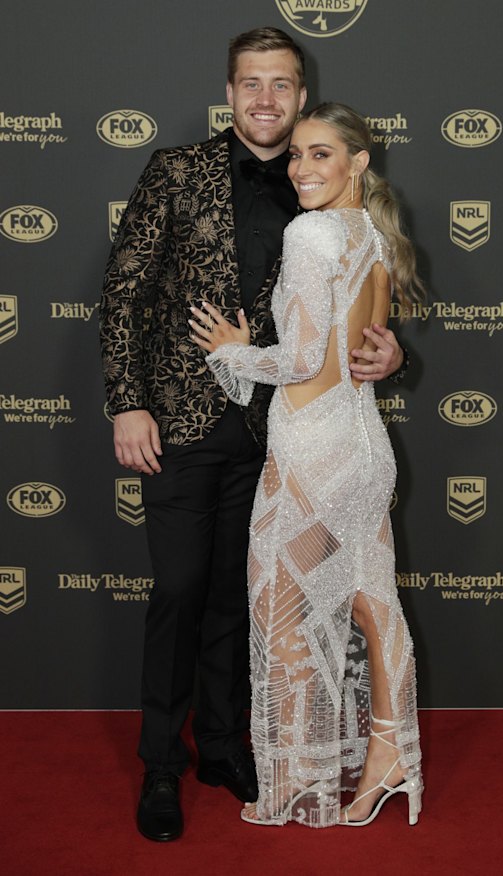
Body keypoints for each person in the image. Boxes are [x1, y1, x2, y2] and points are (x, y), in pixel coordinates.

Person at [100, 29, 407, 842]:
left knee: (247, 600)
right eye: (250, 84)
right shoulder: (174, 169)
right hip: (179, 421)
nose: (265, 100)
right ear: (230, 93)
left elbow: (347, 314)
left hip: (276, 432)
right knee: (178, 589)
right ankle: (162, 761)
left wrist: (389, 347)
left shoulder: (321, 190)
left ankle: (228, 747)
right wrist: (128, 403)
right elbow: (123, 291)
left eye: (281, 84)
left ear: (302, 96)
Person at [189, 102, 423, 828]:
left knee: (285, 617)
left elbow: (297, 361)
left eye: (321, 154)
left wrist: (230, 350)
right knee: (371, 604)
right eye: (295, 155)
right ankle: (391, 758)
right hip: (364, 448)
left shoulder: (311, 232)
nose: (301, 169)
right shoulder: (375, 237)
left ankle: (298, 780)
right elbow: (365, 352)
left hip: (313, 454)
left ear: (358, 162)